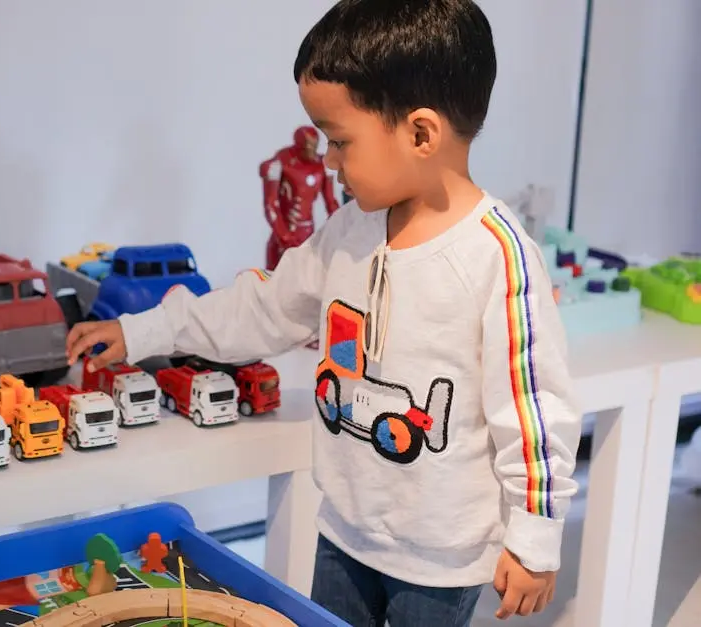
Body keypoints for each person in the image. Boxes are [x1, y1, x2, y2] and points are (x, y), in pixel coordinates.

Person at [66, 1, 582, 625]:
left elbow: (533, 410)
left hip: (440, 559)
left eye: (340, 142)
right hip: (345, 528)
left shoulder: (497, 256)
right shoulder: (348, 232)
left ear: (421, 134)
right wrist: (142, 330)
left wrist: (534, 537)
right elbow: (263, 308)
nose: (330, 162)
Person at [259, 125, 340, 270]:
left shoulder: (322, 165)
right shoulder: (281, 162)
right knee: (278, 280)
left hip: (307, 233)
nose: (311, 151)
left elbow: (331, 203)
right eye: (306, 147)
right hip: (284, 236)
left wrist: (341, 229)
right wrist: (284, 236)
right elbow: (271, 204)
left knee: (306, 279)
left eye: (314, 147)